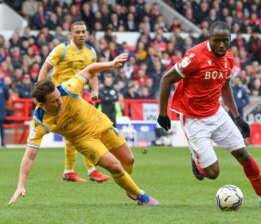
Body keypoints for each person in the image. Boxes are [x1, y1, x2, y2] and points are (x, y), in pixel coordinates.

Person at [157, 21, 261, 208]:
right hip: (193, 119)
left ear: (230, 40)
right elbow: (166, 79)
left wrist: (236, 116)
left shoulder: (228, 58)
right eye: (217, 41)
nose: (221, 45)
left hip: (217, 114)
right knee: (212, 173)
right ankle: (197, 159)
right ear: (209, 38)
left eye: (225, 41)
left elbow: (225, 86)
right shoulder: (195, 57)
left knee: (243, 154)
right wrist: (163, 113)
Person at [8, 53, 159, 207]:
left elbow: (90, 69)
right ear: (42, 104)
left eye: (58, 96)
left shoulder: (68, 88)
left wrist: (111, 64)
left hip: (100, 123)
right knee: (115, 166)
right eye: (54, 101)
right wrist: (21, 184)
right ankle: (143, 197)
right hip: (83, 140)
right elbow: (29, 156)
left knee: (129, 160)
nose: (59, 101)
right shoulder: (40, 122)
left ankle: (129, 187)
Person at [38, 20, 109, 183]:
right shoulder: (61, 50)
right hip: (60, 99)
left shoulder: (91, 52)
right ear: (71, 34)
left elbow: (94, 73)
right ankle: (89, 170)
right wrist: (41, 93)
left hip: (77, 98)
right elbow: (45, 68)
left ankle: (70, 171)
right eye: (77, 32)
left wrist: (95, 91)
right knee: (81, 132)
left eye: (84, 31)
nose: (81, 34)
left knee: (75, 134)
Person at [0, 74, 9, 147]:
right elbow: (7, 96)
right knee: (2, 126)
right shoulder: (3, 85)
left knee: (1, 126)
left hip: (1, 109)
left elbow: (7, 96)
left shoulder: (3, 85)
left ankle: (3, 142)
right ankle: (3, 142)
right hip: (1, 108)